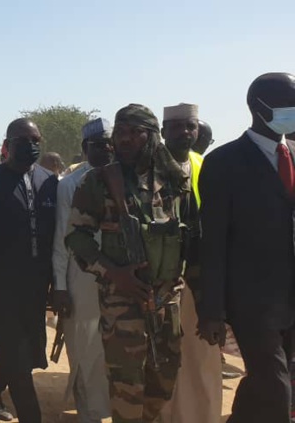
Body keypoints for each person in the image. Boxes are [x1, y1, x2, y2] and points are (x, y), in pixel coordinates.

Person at [66, 103, 187, 423]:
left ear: (152, 137)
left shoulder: (172, 178)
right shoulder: (98, 181)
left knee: (164, 379)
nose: (125, 139)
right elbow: (77, 239)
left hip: (166, 299)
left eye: (135, 132)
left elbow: (188, 234)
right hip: (122, 302)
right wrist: (113, 274)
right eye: (120, 132)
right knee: (126, 385)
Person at [198, 72, 295, 423]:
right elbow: (213, 240)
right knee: (276, 389)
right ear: (258, 106)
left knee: (262, 384)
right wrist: (212, 310)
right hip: (251, 300)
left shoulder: (294, 154)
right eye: (290, 104)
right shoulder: (224, 163)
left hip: (290, 297)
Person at [0, 118, 58, 422]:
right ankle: (32, 416)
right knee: (17, 354)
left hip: (37, 284)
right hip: (1, 284)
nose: (31, 145)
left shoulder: (49, 180)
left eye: (36, 139)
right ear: (7, 144)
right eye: (24, 140)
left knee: (18, 345)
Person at [158, 103, 220, 423]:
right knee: (163, 359)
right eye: (178, 126)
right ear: (163, 131)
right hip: (160, 281)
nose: (185, 132)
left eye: (190, 126)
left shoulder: (205, 165)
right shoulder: (147, 168)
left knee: (200, 358)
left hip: (198, 276)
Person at [51, 118, 114, 423]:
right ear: (84, 148)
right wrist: (60, 287)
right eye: (98, 144)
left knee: (113, 348)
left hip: (120, 277)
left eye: (109, 143)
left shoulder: (125, 178)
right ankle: (89, 413)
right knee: (85, 346)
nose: (105, 149)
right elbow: (62, 238)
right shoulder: (69, 185)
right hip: (82, 276)